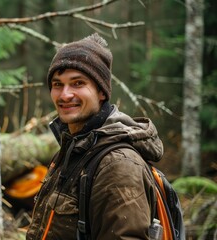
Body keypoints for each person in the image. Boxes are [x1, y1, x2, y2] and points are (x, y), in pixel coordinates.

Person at [26, 33, 164, 240]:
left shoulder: (117, 165)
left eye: (78, 83)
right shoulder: (74, 149)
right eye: (57, 84)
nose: (64, 95)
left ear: (101, 91)